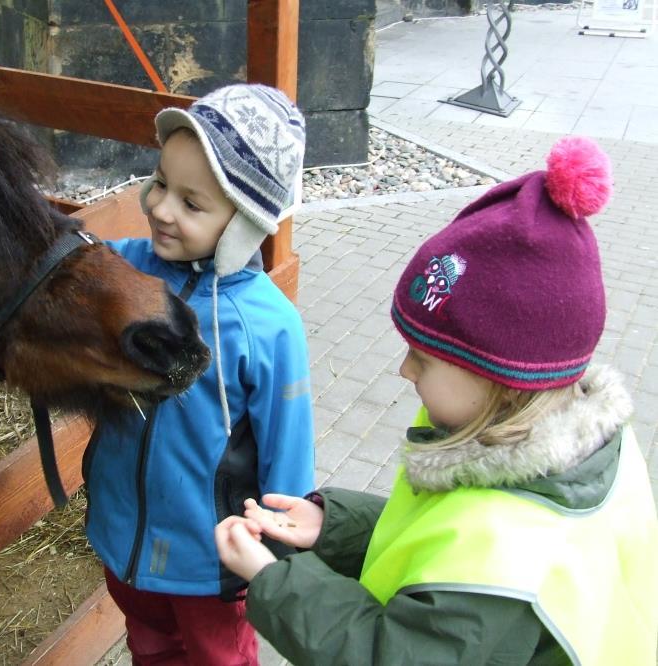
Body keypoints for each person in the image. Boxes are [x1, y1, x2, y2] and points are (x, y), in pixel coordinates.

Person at [215, 136, 658, 666]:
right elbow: (444, 533)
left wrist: (274, 579)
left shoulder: (510, 562)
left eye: (423, 360)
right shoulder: (573, 448)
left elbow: (388, 655)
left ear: (497, 378)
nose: (404, 371)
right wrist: (332, 528)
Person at [82, 83, 315, 665]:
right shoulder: (126, 271)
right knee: (150, 644)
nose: (160, 209)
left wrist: (275, 549)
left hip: (209, 558)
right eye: (161, 183)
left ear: (244, 223)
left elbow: (289, 449)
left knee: (218, 656)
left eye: (191, 203)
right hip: (128, 537)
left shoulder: (269, 325)